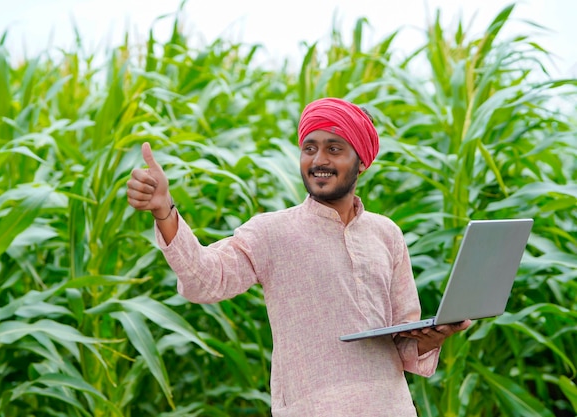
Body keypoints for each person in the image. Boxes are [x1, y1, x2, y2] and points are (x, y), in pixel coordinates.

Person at [126, 97, 471, 416]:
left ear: (362, 162)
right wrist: (164, 210)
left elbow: (404, 345)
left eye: (334, 149)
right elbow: (206, 281)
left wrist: (433, 336)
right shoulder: (272, 232)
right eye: (310, 148)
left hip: (389, 407)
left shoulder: (386, 234)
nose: (319, 160)